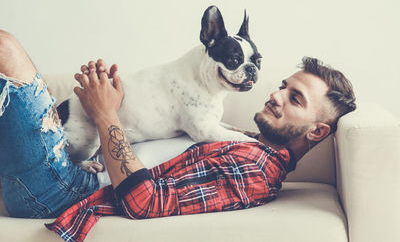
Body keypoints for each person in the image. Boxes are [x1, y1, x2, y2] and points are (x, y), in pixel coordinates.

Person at [0, 30, 356, 241]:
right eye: (282, 86)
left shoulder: (256, 170)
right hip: (74, 163)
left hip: (66, 190)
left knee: (6, 49)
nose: (275, 95)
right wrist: (115, 100)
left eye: (294, 98)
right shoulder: (243, 141)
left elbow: (144, 202)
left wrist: (105, 112)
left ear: (317, 131)